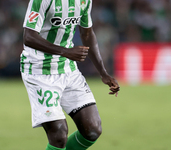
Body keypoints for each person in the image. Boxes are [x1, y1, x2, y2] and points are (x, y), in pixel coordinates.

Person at [20, 0, 120, 150]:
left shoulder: (84, 1)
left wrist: (103, 73)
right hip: (39, 70)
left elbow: (87, 33)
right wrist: (65, 51)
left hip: (68, 69)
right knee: (59, 135)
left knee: (92, 130)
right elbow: (28, 37)